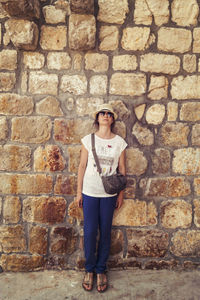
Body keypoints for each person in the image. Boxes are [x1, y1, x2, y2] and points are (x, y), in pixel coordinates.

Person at [76, 103, 127, 293]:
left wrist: (120, 194)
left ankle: (101, 270)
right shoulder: (88, 140)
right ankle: (89, 270)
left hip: (109, 194)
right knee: (89, 232)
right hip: (90, 192)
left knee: (105, 232)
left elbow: (122, 171)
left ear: (112, 119)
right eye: (102, 113)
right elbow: (82, 166)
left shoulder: (120, 142)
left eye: (109, 114)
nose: (105, 116)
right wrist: (78, 191)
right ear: (97, 118)